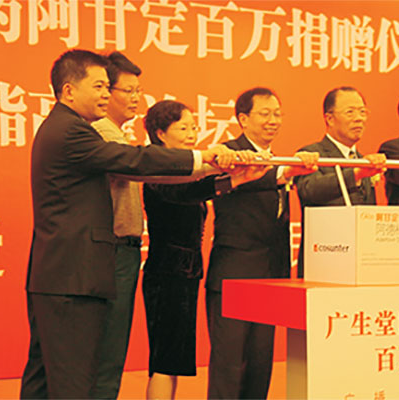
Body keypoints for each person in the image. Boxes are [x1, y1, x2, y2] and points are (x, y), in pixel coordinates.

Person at [20, 49, 235, 399]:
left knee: (45, 378)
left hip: (62, 275)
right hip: (72, 278)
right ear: (69, 90)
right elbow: (133, 160)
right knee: (73, 382)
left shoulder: (66, 127)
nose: (106, 94)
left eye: (108, 87)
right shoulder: (73, 132)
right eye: (99, 86)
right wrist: (201, 157)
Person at [141, 100, 266, 399]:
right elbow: (185, 191)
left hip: (184, 273)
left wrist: (241, 175)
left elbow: (198, 184)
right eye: (182, 128)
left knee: (172, 361)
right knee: (164, 360)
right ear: (160, 134)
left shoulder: (185, 169)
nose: (191, 134)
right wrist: (235, 178)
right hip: (167, 272)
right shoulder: (156, 167)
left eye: (194, 127)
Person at [205, 87, 318, 399]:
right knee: (228, 365)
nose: (273, 120)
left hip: (269, 277)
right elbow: (242, 181)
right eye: (265, 114)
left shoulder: (279, 159)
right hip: (233, 276)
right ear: (243, 119)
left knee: (259, 364)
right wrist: (287, 170)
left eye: (277, 114)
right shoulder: (229, 153)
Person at [89, 51, 144, 399]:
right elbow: (142, 167)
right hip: (114, 251)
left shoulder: (115, 133)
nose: (136, 98)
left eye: (139, 91)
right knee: (107, 351)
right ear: (105, 92)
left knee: (110, 350)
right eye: (129, 90)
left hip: (121, 251)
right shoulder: (102, 132)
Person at [294, 86, 387, 277]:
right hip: (324, 260)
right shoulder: (312, 154)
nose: (359, 118)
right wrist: (356, 174)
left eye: (362, 112)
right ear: (329, 118)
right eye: (350, 112)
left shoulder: (362, 160)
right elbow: (309, 190)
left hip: (363, 261)